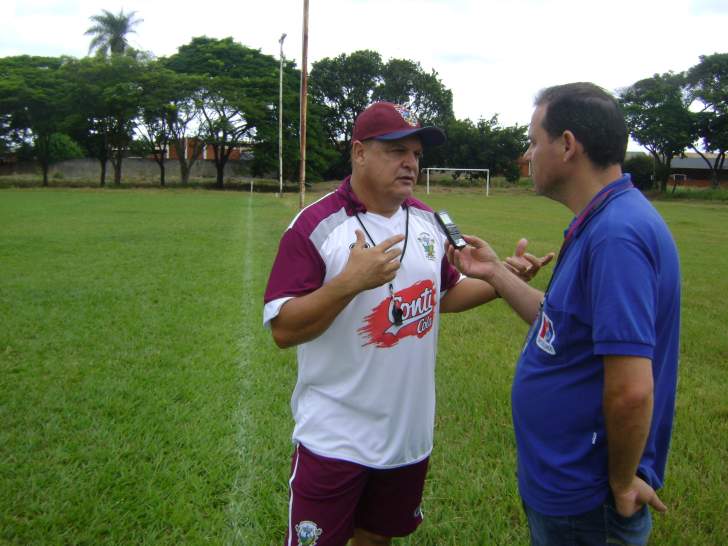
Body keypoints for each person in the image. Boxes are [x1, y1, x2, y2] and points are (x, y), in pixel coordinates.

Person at [263, 101, 552, 546]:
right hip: (334, 437)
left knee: (378, 539)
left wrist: (502, 278)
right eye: (396, 150)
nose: (410, 163)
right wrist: (348, 284)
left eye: (416, 153)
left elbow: (447, 295)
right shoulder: (317, 227)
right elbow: (283, 329)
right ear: (359, 153)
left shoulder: (428, 222)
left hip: (406, 437)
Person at [449, 83, 681, 546]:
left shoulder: (617, 236)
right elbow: (561, 327)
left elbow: (632, 391)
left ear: (568, 145)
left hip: (587, 500)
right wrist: (495, 273)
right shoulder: (601, 220)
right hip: (567, 490)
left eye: (534, 140)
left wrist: (619, 483)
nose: (528, 154)